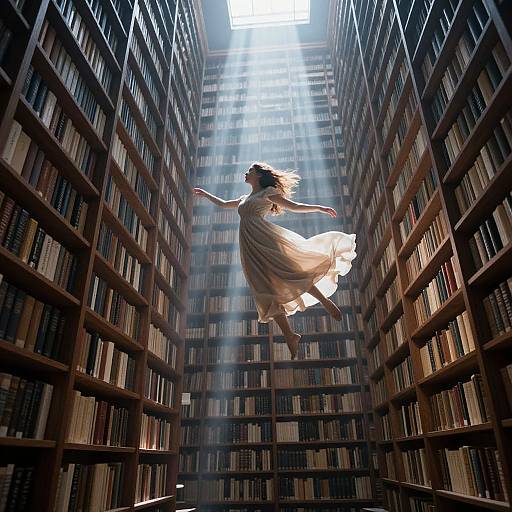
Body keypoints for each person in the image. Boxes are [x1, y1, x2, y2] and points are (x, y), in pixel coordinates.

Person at [192, 162, 357, 359]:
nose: (246, 173)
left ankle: (325, 301)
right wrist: (205, 194)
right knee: (264, 288)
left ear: (260, 175)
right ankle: (289, 334)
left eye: (250, 171)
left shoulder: (267, 193)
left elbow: (295, 206)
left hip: (265, 238)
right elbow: (223, 204)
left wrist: (319, 208)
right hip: (249, 246)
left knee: (289, 270)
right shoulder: (245, 198)